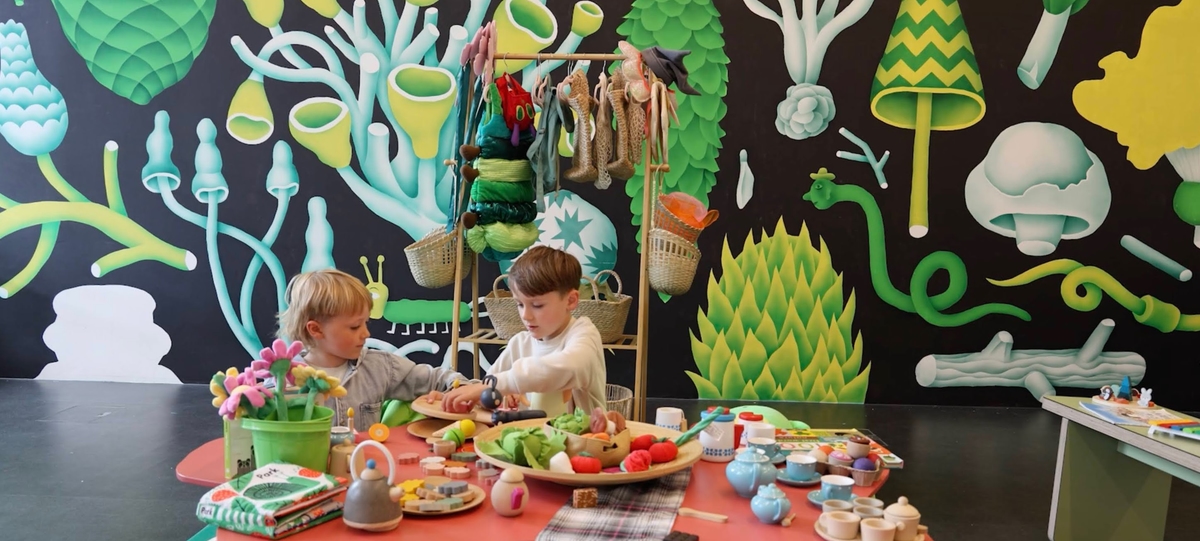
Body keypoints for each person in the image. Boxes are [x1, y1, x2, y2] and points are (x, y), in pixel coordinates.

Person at [277, 269, 471, 428]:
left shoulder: (381, 367)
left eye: (366, 323)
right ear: (316, 329)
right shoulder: (284, 380)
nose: (366, 333)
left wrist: (461, 391)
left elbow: (441, 379)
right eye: (354, 327)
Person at [442, 246, 607, 417]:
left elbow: (570, 368)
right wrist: (491, 396)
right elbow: (488, 387)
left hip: (586, 441)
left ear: (571, 300)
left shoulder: (585, 334)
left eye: (537, 305)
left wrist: (509, 383)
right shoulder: (519, 343)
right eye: (520, 304)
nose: (525, 316)